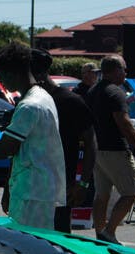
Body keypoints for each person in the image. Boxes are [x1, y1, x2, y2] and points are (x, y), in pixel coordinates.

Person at [0, 42, 65, 230]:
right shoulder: (43, 96)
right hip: (41, 189)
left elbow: (6, 148)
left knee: (29, 248)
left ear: (12, 73)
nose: (0, 81)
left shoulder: (29, 105)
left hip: (32, 192)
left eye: (0, 75)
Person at [30, 48, 96, 232]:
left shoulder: (71, 101)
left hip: (61, 188)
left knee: (58, 242)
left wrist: (83, 183)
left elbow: (91, 144)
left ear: (39, 75)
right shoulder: (30, 102)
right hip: (31, 187)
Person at [87, 54, 135, 245]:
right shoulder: (115, 92)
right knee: (131, 193)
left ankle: (99, 233)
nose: (126, 73)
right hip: (115, 149)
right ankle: (109, 232)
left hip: (98, 150)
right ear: (115, 70)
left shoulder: (93, 91)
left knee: (102, 194)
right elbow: (124, 123)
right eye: (124, 69)